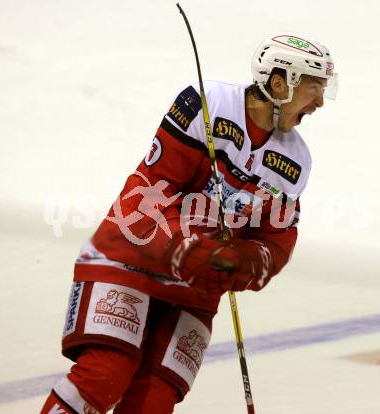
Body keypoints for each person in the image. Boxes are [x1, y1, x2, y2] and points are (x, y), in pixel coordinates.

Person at [41, 33, 338, 414]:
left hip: (196, 286)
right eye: (314, 88)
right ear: (280, 83)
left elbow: (276, 239)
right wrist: (186, 248)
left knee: (155, 400)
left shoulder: (296, 160)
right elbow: (146, 195)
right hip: (128, 259)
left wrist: (247, 262)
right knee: (106, 373)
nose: (319, 103)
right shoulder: (207, 104)